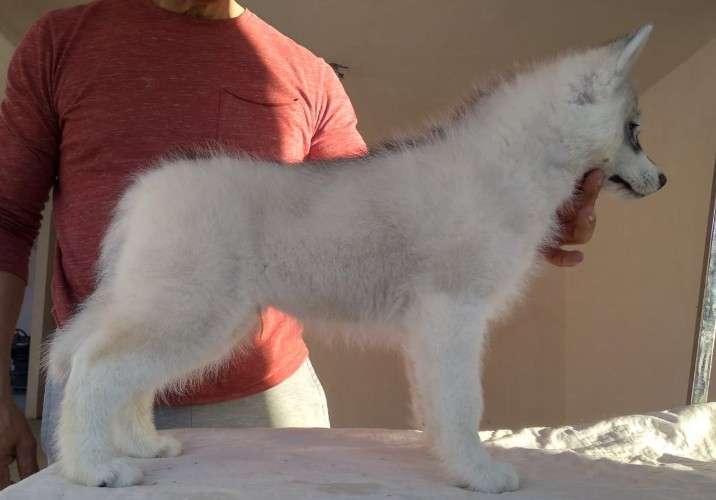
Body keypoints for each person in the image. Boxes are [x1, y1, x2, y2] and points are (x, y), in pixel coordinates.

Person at [0, 0, 604, 489]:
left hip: (270, 396)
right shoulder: (61, 42)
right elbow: (7, 217)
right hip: (110, 382)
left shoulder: (305, 72)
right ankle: (97, 420)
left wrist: (512, 221)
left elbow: (377, 213)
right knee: (161, 334)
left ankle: (121, 411)